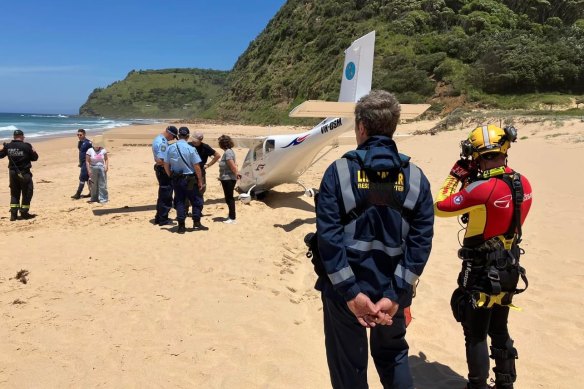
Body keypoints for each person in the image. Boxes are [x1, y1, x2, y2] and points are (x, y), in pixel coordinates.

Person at [315, 90, 434, 389]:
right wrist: (395, 295)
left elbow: (328, 240)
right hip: (393, 291)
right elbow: (421, 243)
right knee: (394, 355)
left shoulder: (338, 172)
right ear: (392, 127)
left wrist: (352, 294)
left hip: (345, 294)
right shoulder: (417, 178)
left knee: (349, 366)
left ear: (360, 127)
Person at [434, 125, 533, 389]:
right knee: (499, 329)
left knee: (475, 333)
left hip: (480, 271)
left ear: (475, 155)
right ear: (505, 148)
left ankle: (477, 385)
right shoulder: (523, 183)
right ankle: (505, 382)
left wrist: (456, 176)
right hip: (510, 267)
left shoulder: (481, 189)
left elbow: (441, 205)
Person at [164, 126, 206, 234]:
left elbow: (166, 164)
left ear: (178, 136)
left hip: (176, 179)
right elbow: (197, 166)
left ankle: (181, 225)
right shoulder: (191, 149)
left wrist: (170, 175)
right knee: (196, 200)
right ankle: (196, 221)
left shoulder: (170, 148)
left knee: (179, 201)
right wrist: (200, 181)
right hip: (190, 179)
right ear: (187, 136)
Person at [0, 129, 39, 221]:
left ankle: (13, 215)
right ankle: (24, 213)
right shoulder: (27, 146)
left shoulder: (8, 146)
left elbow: (0, 155)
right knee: (27, 192)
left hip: (13, 173)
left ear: (14, 137)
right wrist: (33, 150)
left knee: (14, 193)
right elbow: (35, 158)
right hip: (24, 172)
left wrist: (3, 148)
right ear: (22, 136)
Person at [185, 129, 220, 216]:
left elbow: (217, 155)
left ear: (201, 140)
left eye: (197, 140)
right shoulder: (188, 145)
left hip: (201, 172)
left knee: (200, 191)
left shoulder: (205, 147)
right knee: (187, 192)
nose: (194, 142)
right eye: (194, 140)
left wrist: (208, 165)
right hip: (189, 172)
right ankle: (185, 211)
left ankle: (197, 211)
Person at [152, 126, 178, 226]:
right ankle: (163, 219)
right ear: (170, 134)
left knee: (163, 193)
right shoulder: (162, 142)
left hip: (161, 169)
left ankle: (159, 217)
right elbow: (162, 160)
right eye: (173, 137)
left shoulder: (159, 139)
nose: (172, 139)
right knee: (166, 194)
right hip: (163, 170)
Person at [217, 135, 241, 224]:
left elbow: (233, 166)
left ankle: (232, 218)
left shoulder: (228, 153)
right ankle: (231, 216)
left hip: (229, 179)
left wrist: (236, 174)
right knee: (228, 198)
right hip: (226, 178)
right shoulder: (228, 152)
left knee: (229, 198)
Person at [86, 135, 109, 204]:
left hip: (102, 168)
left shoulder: (103, 150)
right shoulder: (89, 151)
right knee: (93, 184)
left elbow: (106, 159)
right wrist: (88, 170)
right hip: (93, 168)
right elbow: (87, 161)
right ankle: (94, 198)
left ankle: (103, 199)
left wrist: (106, 166)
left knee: (102, 184)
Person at [71, 129, 93, 199]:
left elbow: (94, 151)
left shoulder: (88, 143)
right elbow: (81, 153)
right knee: (88, 179)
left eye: (80, 135)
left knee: (82, 178)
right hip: (82, 163)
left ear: (84, 134)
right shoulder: (79, 143)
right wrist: (80, 163)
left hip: (87, 163)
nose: (79, 136)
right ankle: (91, 193)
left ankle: (78, 194)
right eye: (78, 135)